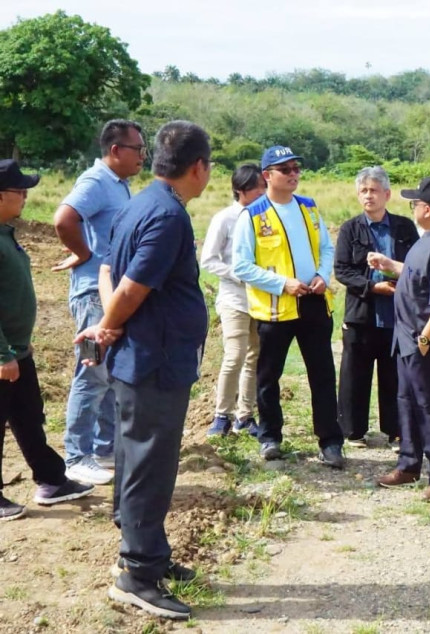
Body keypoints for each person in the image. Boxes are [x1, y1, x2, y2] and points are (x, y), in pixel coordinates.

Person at [78, 121, 212, 619]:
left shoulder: (139, 202)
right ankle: (137, 573)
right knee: (150, 464)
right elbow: (132, 287)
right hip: (154, 361)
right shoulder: (167, 215)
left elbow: (110, 269)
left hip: (143, 356)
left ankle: (147, 552)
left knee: (137, 456)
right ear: (198, 167)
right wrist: (108, 324)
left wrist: (109, 327)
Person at [232, 146, 345, 466]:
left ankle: (330, 441)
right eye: (286, 169)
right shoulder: (253, 215)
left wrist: (323, 274)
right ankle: (270, 437)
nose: (294, 174)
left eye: (296, 168)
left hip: (313, 302)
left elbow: (326, 247)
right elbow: (242, 266)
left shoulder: (309, 208)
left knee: (322, 374)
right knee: (268, 376)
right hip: (275, 308)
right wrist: (282, 284)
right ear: (267, 176)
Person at [53, 120, 146, 486]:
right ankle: (77, 455)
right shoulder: (96, 182)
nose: (142, 156)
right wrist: (83, 252)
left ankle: (105, 447)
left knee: (108, 375)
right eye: (137, 149)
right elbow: (64, 219)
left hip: (109, 290)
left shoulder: (119, 185)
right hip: (94, 291)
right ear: (115, 151)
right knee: (92, 374)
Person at [1, 160, 95, 522]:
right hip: (4, 353)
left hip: (16, 349)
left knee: (28, 417)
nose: (25, 197)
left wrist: (18, 346)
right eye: (20, 191)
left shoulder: (6, 233)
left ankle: (52, 480)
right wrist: (2, 354)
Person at [372, 177, 430, 503]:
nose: (412, 209)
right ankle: (409, 464)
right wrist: (390, 266)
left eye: (415, 204)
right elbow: (416, 274)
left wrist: (426, 338)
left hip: (423, 340)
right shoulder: (428, 241)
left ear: (426, 208)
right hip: (406, 338)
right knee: (406, 402)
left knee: (428, 406)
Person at [334, 166, 418, 449]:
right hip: (362, 312)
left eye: (373, 190)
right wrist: (371, 287)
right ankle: (353, 431)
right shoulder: (350, 229)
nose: (368, 196)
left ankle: (396, 431)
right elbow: (342, 271)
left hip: (396, 313)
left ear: (387, 194)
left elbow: (416, 267)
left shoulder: (405, 227)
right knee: (354, 374)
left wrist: (395, 279)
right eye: (363, 191)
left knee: (394, 374)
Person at [199, 164, 266, 437]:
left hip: (262, 300)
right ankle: (221, 414)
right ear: (241, 191)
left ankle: (245, 416)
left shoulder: (266, 216)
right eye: (257, 187)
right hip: (234, 299)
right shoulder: (225, 218)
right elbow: (208, 260)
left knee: (255, 357)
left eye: (264, 185)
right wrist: (240, 276)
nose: (263, 191)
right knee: (234, 355)